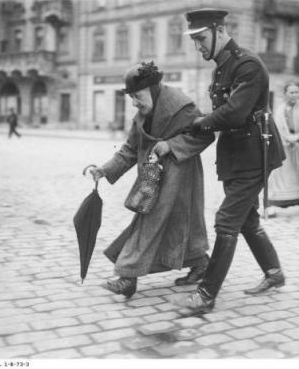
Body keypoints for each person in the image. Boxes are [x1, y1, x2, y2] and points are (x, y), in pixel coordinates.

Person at [171, 8, 286, 313]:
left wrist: (199, 123)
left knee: (227, 220)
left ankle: (206, 295)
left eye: (201, 38)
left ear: (220, 31)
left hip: (255, 155)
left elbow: (233, 113)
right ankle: (274, 273)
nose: (197, 46)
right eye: (194, 40)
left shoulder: (248, 65)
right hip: (237, 155)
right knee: (246, 218)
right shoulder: (221, 68)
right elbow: (223, 115)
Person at [89, 61, 215, 298]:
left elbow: (205, 136)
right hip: (154, 176)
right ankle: (200, 264)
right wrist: (105, 170)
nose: (134, 103)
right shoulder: (142, 116)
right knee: (179, 224)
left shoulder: (182, 106)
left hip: (181, 175)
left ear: (152, 89)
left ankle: (128, 277)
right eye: (131, 98)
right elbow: (129, 149)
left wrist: (171, 145)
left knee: (149, 222)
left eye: (137, 96)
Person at [267, 82, 299, 217]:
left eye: (296, 92)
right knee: (278, 178)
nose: (294, 95)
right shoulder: (280, 109)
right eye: (291, 92)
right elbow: (276, 128)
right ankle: (272, 207)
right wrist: (284, 139)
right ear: (285, 94)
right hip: (284, 150)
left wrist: (297, 137)